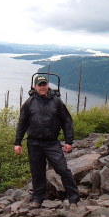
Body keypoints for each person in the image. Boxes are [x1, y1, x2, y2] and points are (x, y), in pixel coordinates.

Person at [14, 75, 80, 209]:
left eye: (44, 84)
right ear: (35, 87)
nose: (42, 87)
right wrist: (17, 142)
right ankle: (38, 199)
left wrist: (69, 141)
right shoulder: (29, 102)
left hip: (51, 143)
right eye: (40, 85)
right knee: (37, 173)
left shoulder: (56, 102)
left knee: (63, 169)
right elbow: (22, 123)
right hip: (34, 143)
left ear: (48, 85)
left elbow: (67, 122)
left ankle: (74, 199)